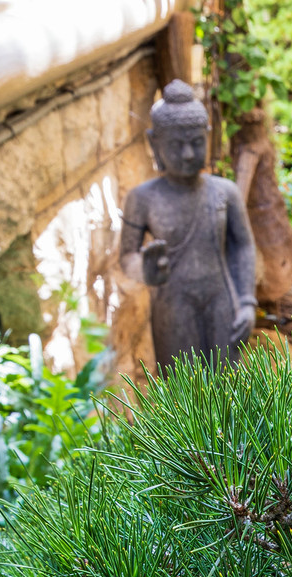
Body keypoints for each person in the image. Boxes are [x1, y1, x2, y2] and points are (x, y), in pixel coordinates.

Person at [121, 80, 257, 373]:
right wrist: (145, 269)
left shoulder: (225, 192)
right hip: (173, 305)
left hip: (223, 299)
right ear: (154, 143)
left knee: (229, 383)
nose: (187, 154)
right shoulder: (143, 198)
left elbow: (243, 246)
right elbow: (127, 256)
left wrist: (247, 301)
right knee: (184, 390)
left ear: (208, 138)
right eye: (175, 145)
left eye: (195, 143)